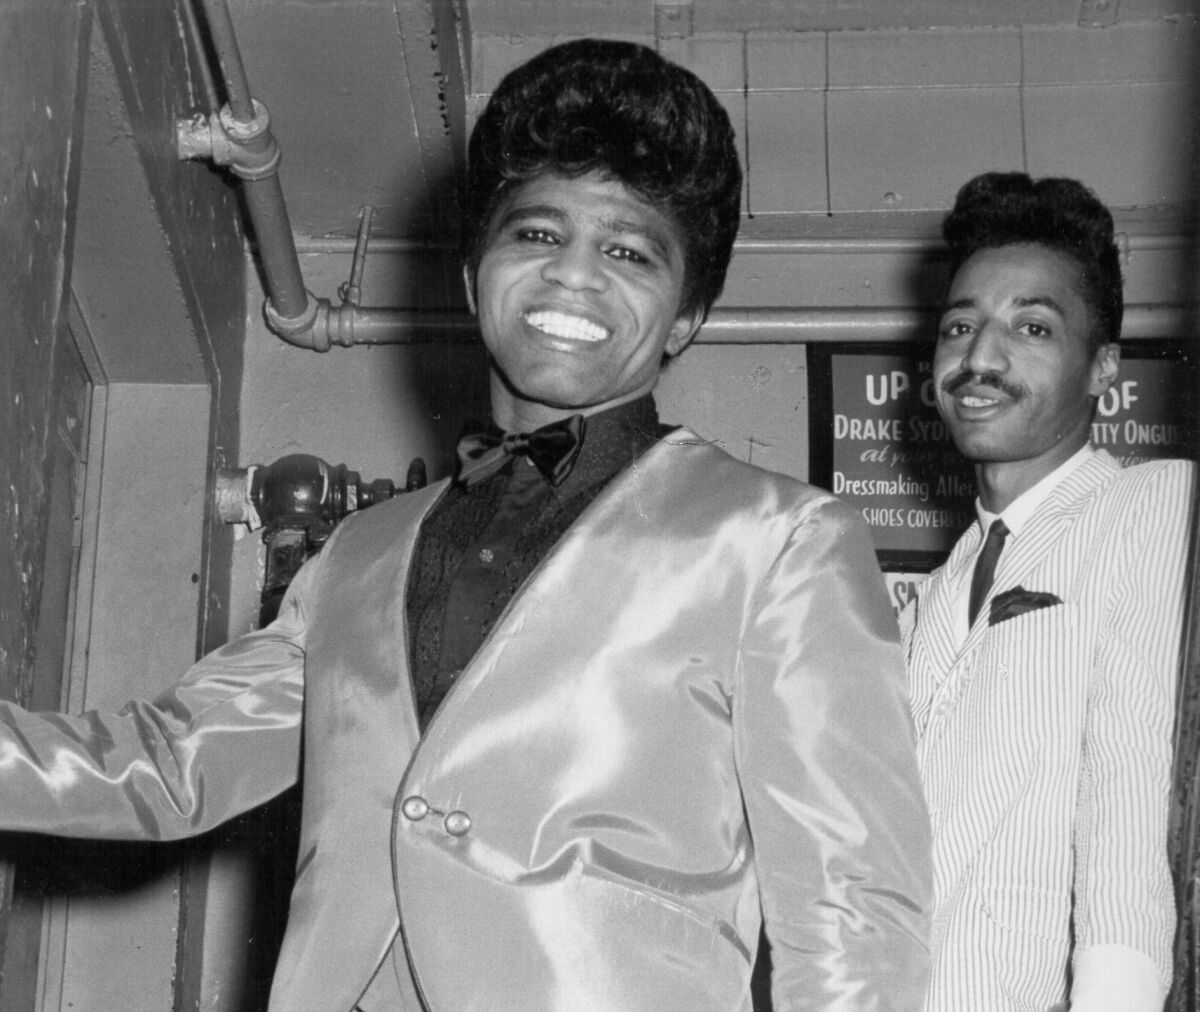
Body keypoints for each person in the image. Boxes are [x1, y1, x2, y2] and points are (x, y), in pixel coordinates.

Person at [0, 39, 931, 1010]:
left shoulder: (778, 541)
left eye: (628, 251)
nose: (574, 275)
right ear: (469, 271)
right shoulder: (356, 554)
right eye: (537, 235)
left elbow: (857, 916)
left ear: (687, 315)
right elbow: (167, 763)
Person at [902, 171, 1194, 1012]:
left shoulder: (1154, 505)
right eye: (961, 325)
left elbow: (1131, 810)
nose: (980, 358)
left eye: (1031, 326)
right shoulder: (943, 586)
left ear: (1103, 367)